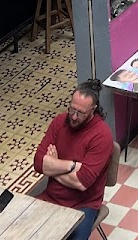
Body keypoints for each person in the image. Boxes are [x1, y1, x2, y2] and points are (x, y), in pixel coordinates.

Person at [34, 79, 114, 240]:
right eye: (72, 109)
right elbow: (38, 163)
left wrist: (53, 166)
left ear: (93, 110)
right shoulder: (59, 122)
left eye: (81, 113)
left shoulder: (101, 135)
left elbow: (81, 183)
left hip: (83, 205)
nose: (74, 117)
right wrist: (72, 166)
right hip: (50, 197)